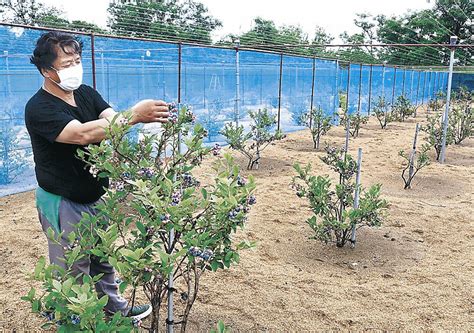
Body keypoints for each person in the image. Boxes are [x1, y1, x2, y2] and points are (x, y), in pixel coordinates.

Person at [24, 31, 169, 321]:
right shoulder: (39, 108)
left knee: (102, 257)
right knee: (72, 265)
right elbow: (81, 134)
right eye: (66, 64)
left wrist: (138, 125)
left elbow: (110, 120)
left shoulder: (86, 93)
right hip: (63, 200)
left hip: (96, 196)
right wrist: (136, 115)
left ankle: (114, 309)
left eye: (77, 60)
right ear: (45, 70)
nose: (74, 68)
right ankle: (77, 320)